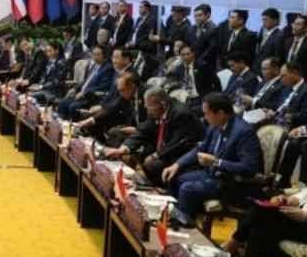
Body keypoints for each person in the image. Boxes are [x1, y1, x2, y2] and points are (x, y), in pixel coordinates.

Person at [162, 93, 262, 227]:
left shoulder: (243, 132)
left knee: (187, 189)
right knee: (174, 177)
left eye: (207, 113)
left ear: (220, 113)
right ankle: (175, 217)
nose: (204, 117)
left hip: (230, 182)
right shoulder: (215, 125)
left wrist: (216, 162)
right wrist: (176, 165)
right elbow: (200, 149)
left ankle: (184, 225)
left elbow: (249, 168)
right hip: (212, 174)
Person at [103, 88, 204, 183]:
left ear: (162, 104)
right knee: (124, 140)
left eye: (149, 106)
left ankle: (159, 189)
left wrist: (156, 155)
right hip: (164, 144)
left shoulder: (181, 115)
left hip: (182, 152)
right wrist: (124, 148)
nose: (147, 110)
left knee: (153, 163)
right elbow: (144, 130)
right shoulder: (158, 110)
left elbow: (177, 143)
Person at [73, 72, 142, 141]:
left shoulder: (146, 95)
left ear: (132, 86)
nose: (120, 93)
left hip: (143, 128)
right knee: (98, 118)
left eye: (122, 90)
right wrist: (87, 121)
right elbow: (111, 109)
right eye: (119, 91)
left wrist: (137, 129)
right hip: (131, 124)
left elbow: (150, 120)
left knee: (115, 131)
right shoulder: (125, 94)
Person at [57, 45, 114, 119]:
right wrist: (75, 88)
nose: (94, 56)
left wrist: (84, 92)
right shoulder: (94, 65)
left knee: (73, 106)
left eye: (97, 54)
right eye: (93, 54)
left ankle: (74, 127)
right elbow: (86, 81)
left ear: (104, 55)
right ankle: (61, 124)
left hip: (91, 97)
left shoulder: (108, 69)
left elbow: (103, 86)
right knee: (63, 103)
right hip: (81, 95)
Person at [29, 41, 67, 105]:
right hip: (45, 89)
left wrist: (41, 86)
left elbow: (56, 81)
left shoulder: (62, 63)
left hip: (55, 91)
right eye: (47, 51)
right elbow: (43, 76)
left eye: (50, 51)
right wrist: (38, 85)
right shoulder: (50, 61)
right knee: (28, 94)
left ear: (57, 50)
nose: (48, 53)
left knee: (30, 96)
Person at [189, 4, 219, 73]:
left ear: (208, 15)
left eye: (199, 15)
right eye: (195, 16)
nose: (196, 18)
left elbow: (212, 49)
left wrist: (199, 61)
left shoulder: (214, 29)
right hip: (192, 63)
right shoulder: (192, 28)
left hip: (206, 65)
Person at [255, 8, 284, 74]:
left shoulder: (279, 36)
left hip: (269, 71)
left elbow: (277, 57)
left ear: (275, 21)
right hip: (258, 70)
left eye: (266, 20)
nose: (263, 22)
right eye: (262, 20)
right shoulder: (263, 33)